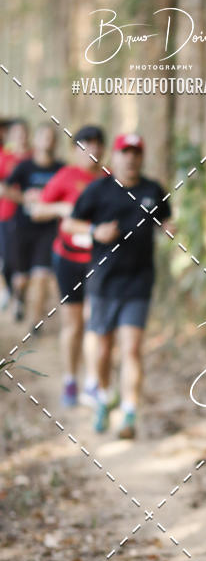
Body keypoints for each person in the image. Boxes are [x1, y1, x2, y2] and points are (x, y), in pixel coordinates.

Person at [63, 132, 172, 439]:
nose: (131, 158)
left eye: (136, 152)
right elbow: (70, 224)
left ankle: (128, 413)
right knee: (102, 351)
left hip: (138, 280)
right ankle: (104, 395)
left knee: (132, 349)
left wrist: (168, 228)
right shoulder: (98, 190)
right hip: (103, 281)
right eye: (125, 152)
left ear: (142, 156)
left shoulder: (154, 190)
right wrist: (96, 231)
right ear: (116, 155)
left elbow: (165, 221)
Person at [28, 125, 106, 406]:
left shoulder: (110, 179)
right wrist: (60, 209)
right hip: (67, 259)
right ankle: (70, 381)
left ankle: (92, 384)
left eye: (97, 144)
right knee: (73, 324)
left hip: (99, 262)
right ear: (75, 150)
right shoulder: (65, 177)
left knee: (93, 321)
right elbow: (37, 211)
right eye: (86, 145)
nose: (92, 150)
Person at [4, 123, 63, 326]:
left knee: (42, 275)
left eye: (51, 137)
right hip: (22, 228)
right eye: (43, 137)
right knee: (21, 278)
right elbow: (4, 189)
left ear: (56, 142)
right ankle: (18, 297)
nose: (47, 141)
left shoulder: (61, 168)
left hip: (48, 230)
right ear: (36, 141)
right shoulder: (25, 166)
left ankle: (34, 321)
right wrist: (24, 198)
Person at [0, 119, 30, 309]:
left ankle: (19, 297)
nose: (21, 136)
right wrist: (22, 197)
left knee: (23, 261)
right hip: (6, 214)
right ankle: (6, 291)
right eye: (16, 132)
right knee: (6, 258)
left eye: (23, 132)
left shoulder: (34, 157)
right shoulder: (4, 158)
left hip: (30, 219)